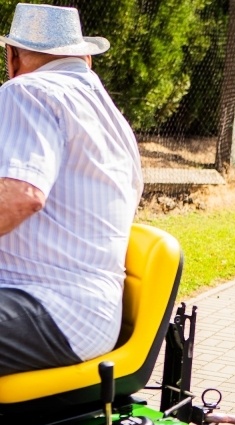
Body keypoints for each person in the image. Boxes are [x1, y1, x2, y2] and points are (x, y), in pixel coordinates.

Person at [0, 3, 143, 376]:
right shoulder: (112, 118)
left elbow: (21, 195)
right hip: (89, 314)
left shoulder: (25, 90)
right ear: (84, 59)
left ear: (11, 56)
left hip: (48, 306)